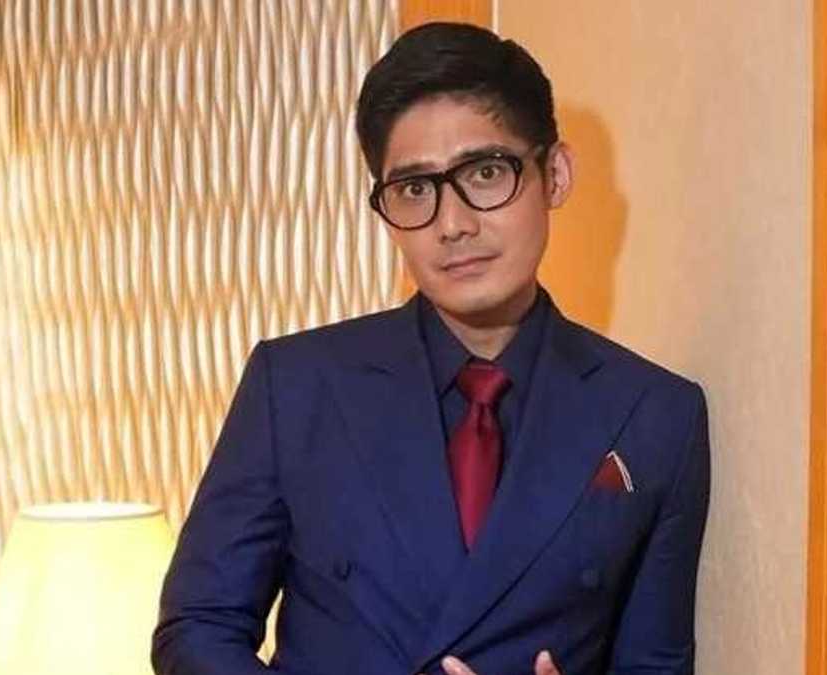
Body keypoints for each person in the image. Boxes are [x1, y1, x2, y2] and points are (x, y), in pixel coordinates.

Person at [152, 22, 710, 675]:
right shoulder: (297, 383)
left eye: (486, 172)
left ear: (555, 175)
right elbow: (199, 626)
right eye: (415, 189)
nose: (453, 224)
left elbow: (655, 664)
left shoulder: (655, 416)